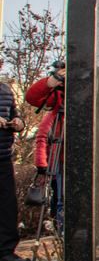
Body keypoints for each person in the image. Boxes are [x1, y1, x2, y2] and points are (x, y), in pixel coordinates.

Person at [25, 63, 65, 230]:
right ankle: (64, 234)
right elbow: (32, 98)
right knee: (62, 199)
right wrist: (53, 81)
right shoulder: (59, 101)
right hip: (62, 160)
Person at [0, 77, 28, 261]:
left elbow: (16, 113)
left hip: (3, 156)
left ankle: (6, 252)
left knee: (7, 206)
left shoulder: (5, 89)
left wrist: (19, 122)